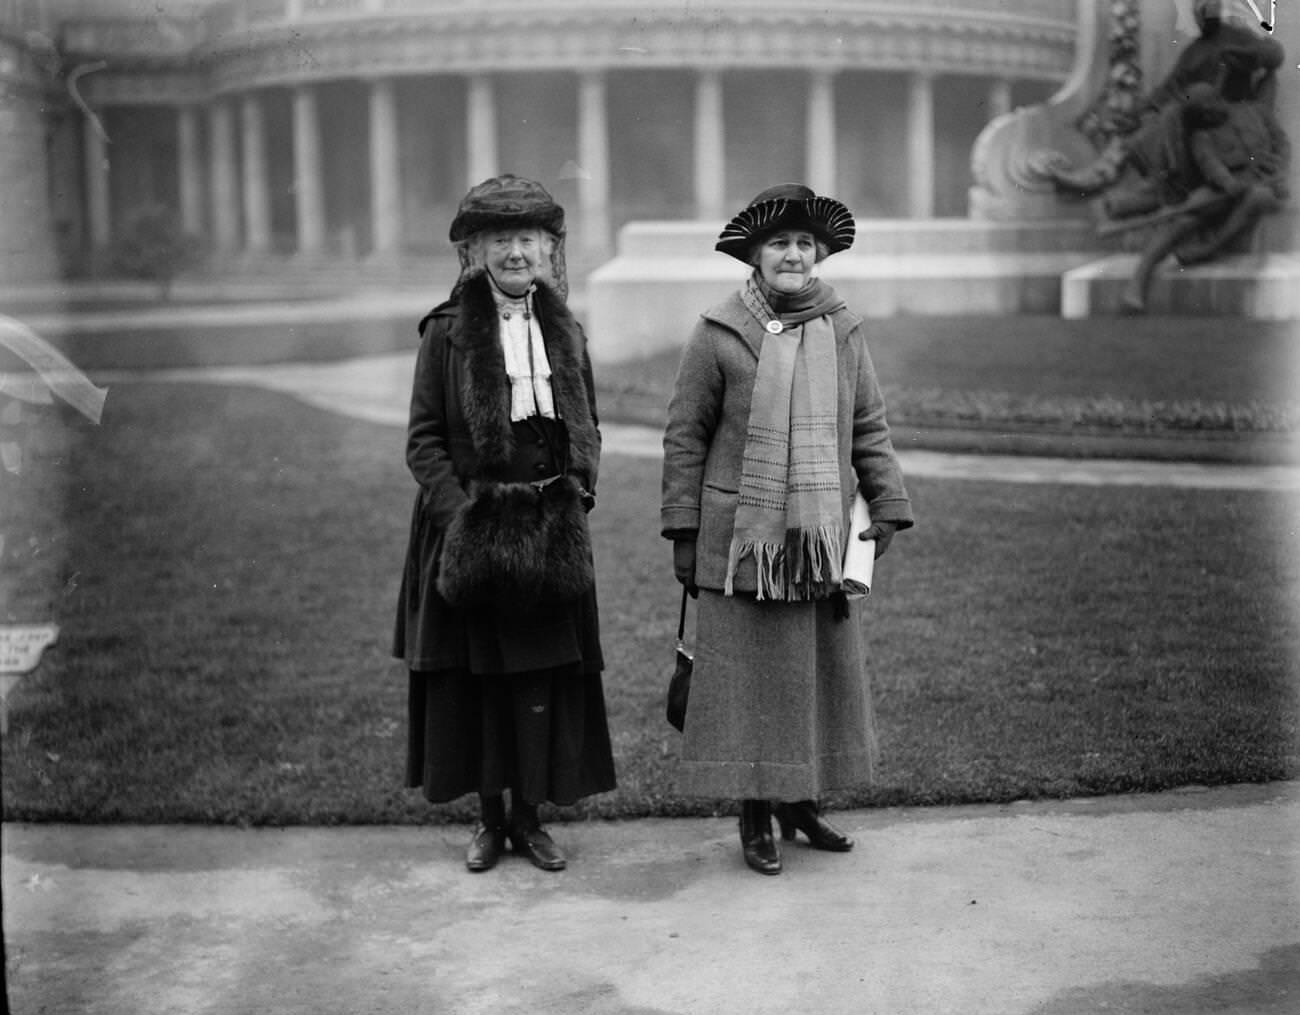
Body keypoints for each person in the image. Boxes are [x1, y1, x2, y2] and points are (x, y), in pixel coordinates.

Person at [661, 184, 915, 875]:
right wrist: (684, 528)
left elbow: (868, 426)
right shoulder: (717, 332)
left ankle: (798, 803)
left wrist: (887, 502)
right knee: (749, 678)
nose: (794, 254)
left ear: (820, 254)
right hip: (741, 539)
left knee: (809, 674)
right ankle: (754, 814)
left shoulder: (844, 329)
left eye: (805, 243)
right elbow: (685, 436)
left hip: (816, 536)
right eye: (780, 243)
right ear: (755, 254)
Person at [393, 174, 616, 872]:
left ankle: (531, 818)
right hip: (471, 525)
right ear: (476, 250)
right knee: (479, 677)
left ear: (550, 251)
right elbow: (423, 440)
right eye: (501, 240)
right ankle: (490, 820)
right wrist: (466, 516)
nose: (517, 253)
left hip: (551, 527)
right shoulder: (449, 334)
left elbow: (589, 425)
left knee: (539, 678)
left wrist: (579, 487)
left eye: (530, 239)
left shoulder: (566, 330)